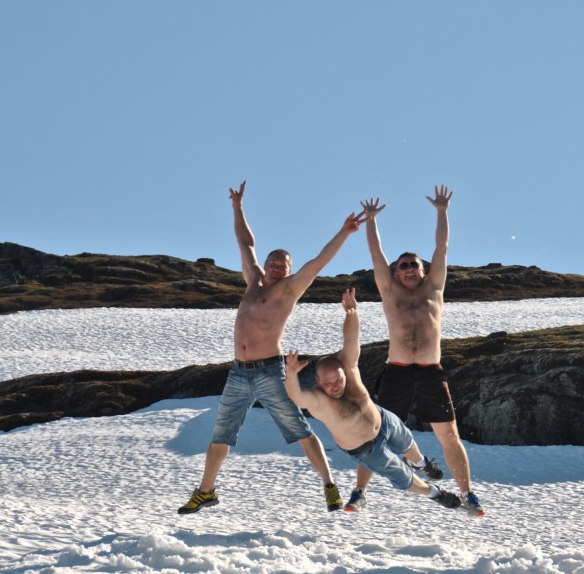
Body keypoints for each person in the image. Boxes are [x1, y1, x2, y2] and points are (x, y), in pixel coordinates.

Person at [177, 181, 364, 515]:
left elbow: (319, 262)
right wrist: (237, 206)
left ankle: (329, 485)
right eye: (273, 263)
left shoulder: (289, 290)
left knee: (298, 428)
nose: (277, 268)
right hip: (238, 373)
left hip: (269, 371)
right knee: (223, 433)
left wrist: (345, 231)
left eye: (284, 265)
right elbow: (245, 242)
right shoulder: (252, 280)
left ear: (291, 271)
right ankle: (206, 491)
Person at [347, 187, 484, 516]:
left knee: (449, 433)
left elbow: (442, 247)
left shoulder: (434, 289)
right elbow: (377, 255)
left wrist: (442, 211)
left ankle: (468, 494)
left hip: (429, 372)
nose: (409, 268)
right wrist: (371, 223)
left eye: (415, 265)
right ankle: (358, 493)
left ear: (424, 271)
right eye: (404, 265)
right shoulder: (389, 291)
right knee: (373, 433)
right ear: (396, 272)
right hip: (396, 371)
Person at [284, 289, 465, 512]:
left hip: (383, 420)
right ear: (318, 382)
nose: (336, 386)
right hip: (367, 449)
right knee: (401, 476)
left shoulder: (348, 368)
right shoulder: (318, 400)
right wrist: (291, 375)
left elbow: (351, 339)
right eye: (328, 383)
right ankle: (435, 493)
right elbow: (296, 396)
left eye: (338, 379)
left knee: (407, 442)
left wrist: (351, 313)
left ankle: (420, 462)